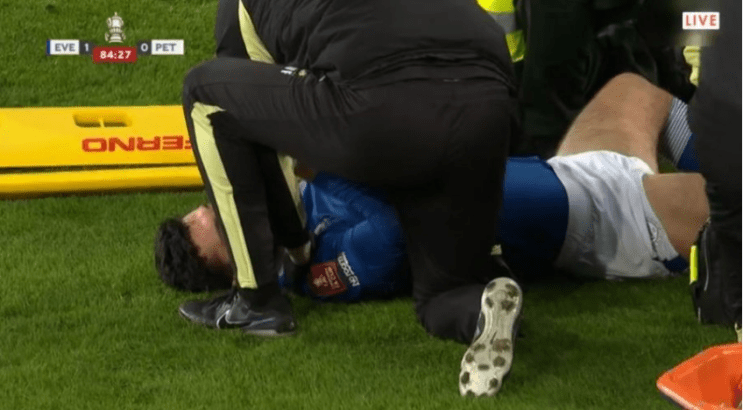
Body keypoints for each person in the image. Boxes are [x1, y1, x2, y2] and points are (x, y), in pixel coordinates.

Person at [158, 72, 708, 396]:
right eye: (227, 229)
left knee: (636, 91)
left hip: (569, 173)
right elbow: (395, 232)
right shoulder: (321, 268)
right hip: (612, 222)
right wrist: (321, 167)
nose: (237, 207)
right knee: (731, 200)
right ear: (241, 266)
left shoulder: (295, 203)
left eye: (216, 206)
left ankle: (720, 155)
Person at [177, 0, 521, 383]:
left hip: (392, 107)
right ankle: (481, 311)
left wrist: (297, 248)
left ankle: (256, 301)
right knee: (443, 296)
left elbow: (264, 146)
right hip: (489, 101)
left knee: (204, 93)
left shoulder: (240, 13)